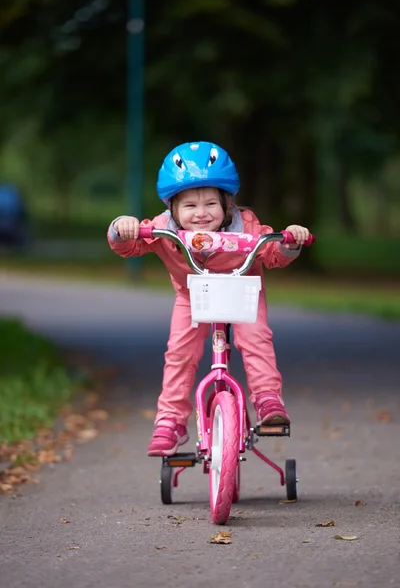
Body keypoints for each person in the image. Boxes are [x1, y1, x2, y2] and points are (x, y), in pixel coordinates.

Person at [107, 141, 310, 457]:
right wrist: (122, 229)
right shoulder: (162, 229)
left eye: (210, 203)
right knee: (180, 352)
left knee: (256, 339)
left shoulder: (247, 225)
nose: (201, 214)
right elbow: (129, 246)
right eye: (189, 206)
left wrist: (289, 242)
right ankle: (170, 421)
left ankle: (268, 400)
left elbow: (272, 253)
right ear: (172, 208)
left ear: (228, 203)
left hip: (242, 290)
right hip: (192, 296)